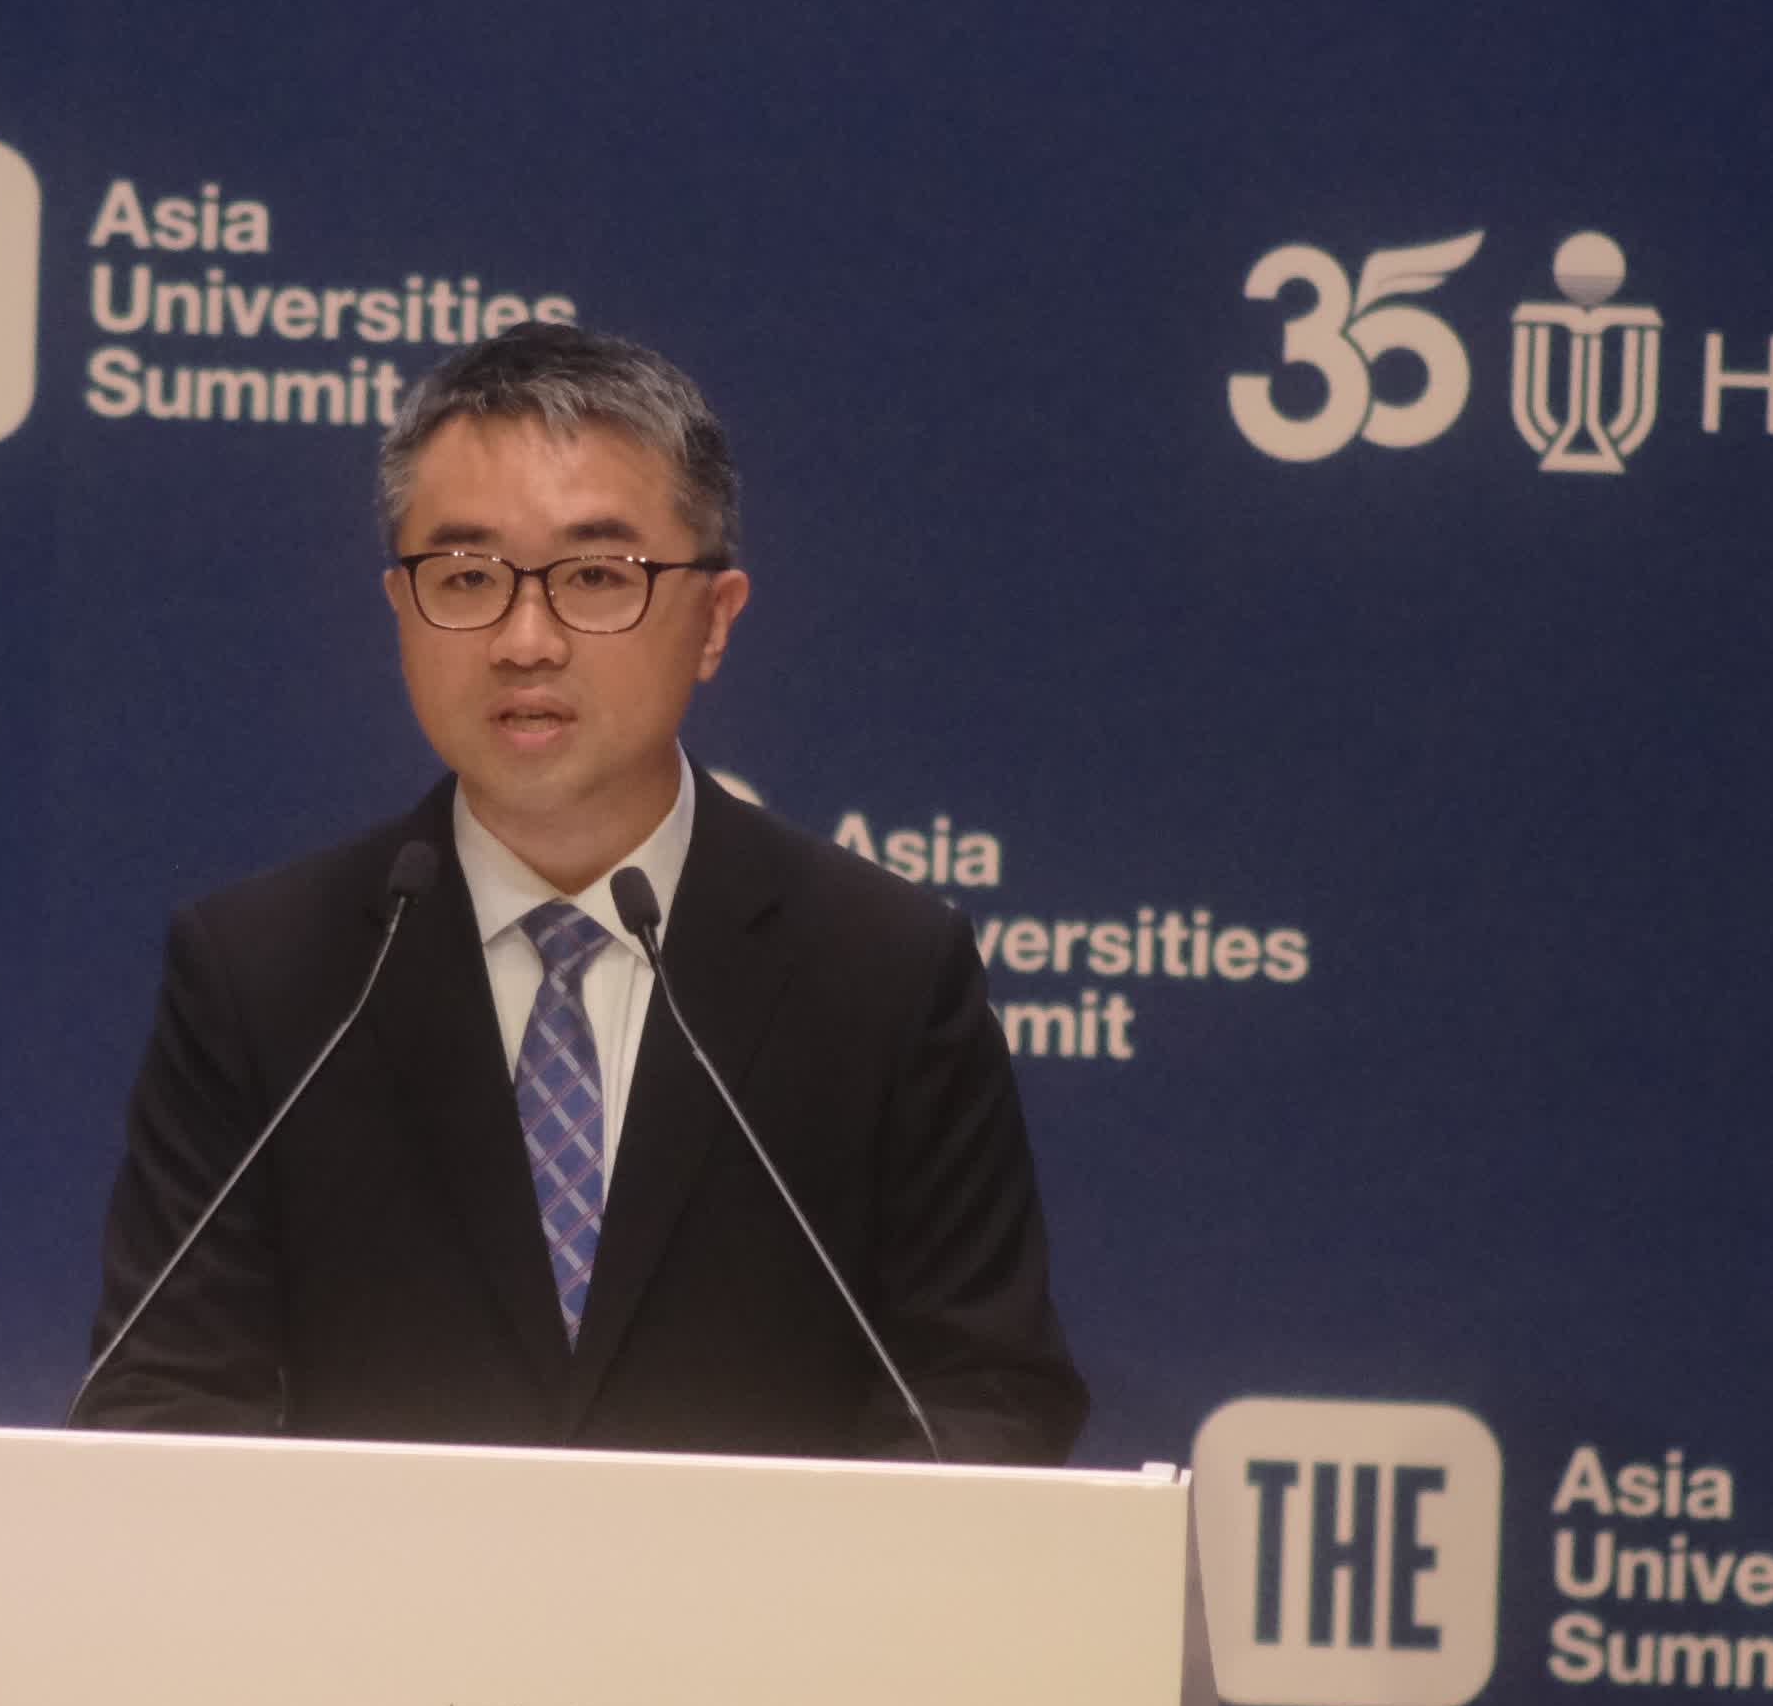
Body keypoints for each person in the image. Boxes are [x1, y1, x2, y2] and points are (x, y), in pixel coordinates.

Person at [77, 322, 1083, 1462]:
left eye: (597, 577)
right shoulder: (268, 976)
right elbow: (159, 1400)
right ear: (402, 610)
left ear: (715, 620)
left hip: (764, 1584)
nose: (525, 640)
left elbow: (984, 1396)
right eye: (466, 577)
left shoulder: (882, 971)